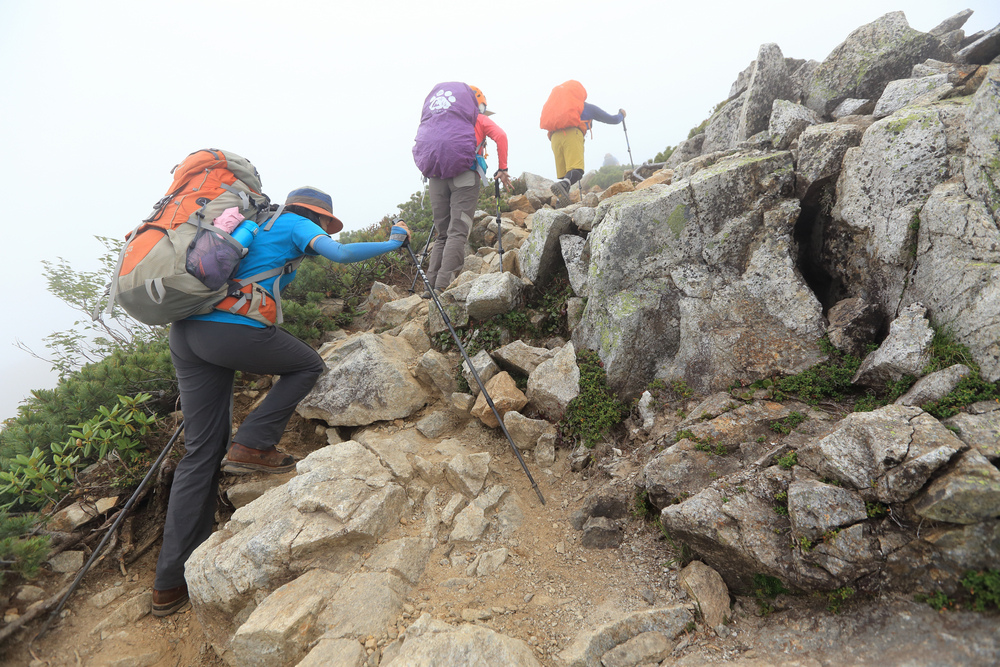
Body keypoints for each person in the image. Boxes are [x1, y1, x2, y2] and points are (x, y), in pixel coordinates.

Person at [151, 187, 409, 617]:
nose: (325, 229)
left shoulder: (252, 227)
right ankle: (252, 444)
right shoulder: (294, 222)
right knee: (307, 365)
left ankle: (169, 585)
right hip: (229, 330)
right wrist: (394, 241)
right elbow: (340, 255)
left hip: (187, 334)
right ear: (317, 216)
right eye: (327, 222)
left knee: (200, 452)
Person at [422, 84, 512, 296]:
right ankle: (443, 285)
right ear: (478, 104)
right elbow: (501, 136)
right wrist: (503, 168)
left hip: (436, 178)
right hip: (465, 175)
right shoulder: (478, 119)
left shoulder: (439, 121)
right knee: (457, 232)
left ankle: (430, 287)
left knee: (442, 234)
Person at [540, 80, 626, 207]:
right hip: (572, 134)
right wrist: (621, 115)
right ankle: (563, 186)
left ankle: (560, 203)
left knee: (565, 175)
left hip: (554, 137)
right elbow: (612, 119)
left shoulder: (557, 109)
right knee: (577, 171)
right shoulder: (584, 106)